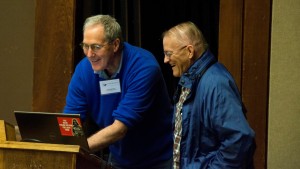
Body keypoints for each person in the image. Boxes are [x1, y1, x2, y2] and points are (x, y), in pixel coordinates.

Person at [63, 14, 173, 169]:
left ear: (115, 45)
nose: (89, 54)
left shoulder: (144, 67)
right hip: (120, 157)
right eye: (85, 46)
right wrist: (62, 146)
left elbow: (119, 129)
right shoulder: (83, 70)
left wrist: (76, 149)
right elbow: (71, 120)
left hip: (159, 158)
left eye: (96, 47)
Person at [162, 21, 256, 169]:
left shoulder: (215, 83)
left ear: (189, 52)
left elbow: (239, 140)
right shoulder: (189, 79)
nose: (165, 60)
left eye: (168, 53)